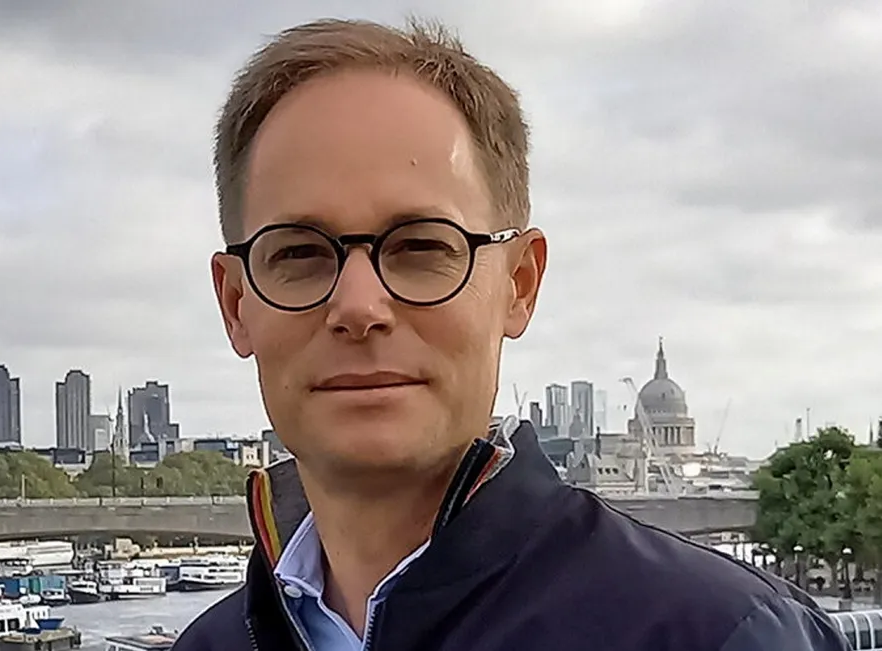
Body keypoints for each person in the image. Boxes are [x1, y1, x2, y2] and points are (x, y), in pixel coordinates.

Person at [173, 17, 849, 651]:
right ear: (235, 303)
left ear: (519, 284)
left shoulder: (720, 635)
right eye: (298, 253)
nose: (358, 305)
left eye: (421, 247)